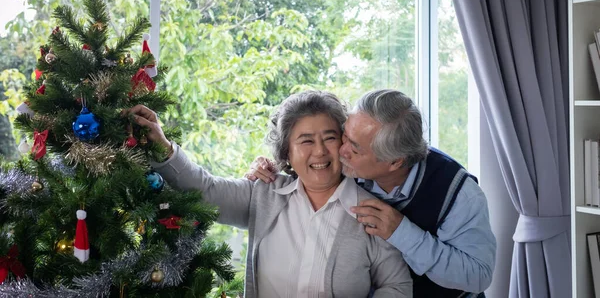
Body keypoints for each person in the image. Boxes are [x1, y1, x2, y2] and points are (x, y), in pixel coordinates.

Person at [125, 90, 412, 298]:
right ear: (287, 151)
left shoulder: (374, 213)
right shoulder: (263, 194)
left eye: (330, 138)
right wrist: (163, 146)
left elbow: (398, 286)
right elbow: (206, 191)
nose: (320, 151)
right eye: (306, 141)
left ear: (344, 142)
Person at [247, 89, 496, 298]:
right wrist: (270, 166)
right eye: (345, 134)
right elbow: (310, 154)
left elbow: (478, 276)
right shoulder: (352, 163)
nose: (339, 150)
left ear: (394, 163)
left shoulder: (459, 194)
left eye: (354, 148)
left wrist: (402, 232)